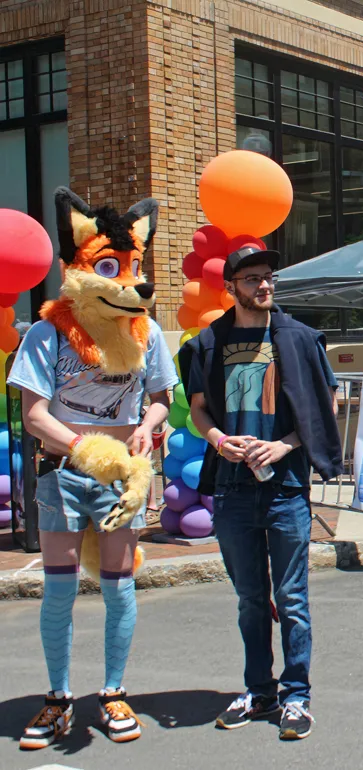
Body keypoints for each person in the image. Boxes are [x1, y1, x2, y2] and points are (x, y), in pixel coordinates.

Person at [11, 188, 176, 748]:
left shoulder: (145, 331)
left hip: (122, 480)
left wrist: (147, 426)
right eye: (110, 267)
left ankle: (112, 692)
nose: (129, 281)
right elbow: (35, 415)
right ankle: (58, 699)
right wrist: (86, 451)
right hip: (63, 473)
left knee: (119, 588)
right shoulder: (48, 333)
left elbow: (161, 397)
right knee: (59, 592)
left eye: (131, 268)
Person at [180, 245, 343, 741]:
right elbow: (199, 408)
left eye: (268, 276)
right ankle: (260, 691)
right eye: (252, 278)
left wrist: (284, 444)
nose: (264, 285)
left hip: (286, 488)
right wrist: (218, 440)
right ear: (231, 287)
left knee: (291, 598)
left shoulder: (299, 338)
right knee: (250, 599)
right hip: (232, 491)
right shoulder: (208, 343)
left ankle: (297, 697)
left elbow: (327, 404)